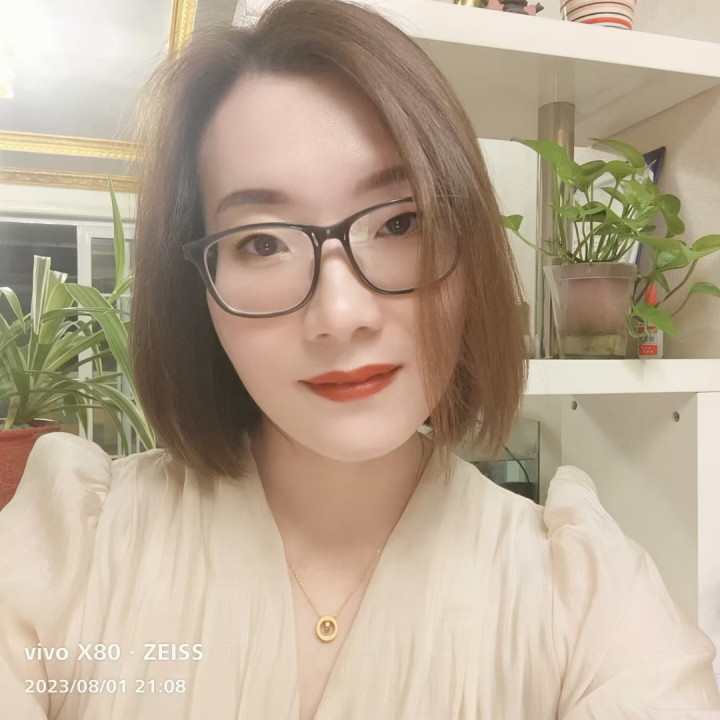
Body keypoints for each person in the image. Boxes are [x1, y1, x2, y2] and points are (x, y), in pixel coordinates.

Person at [1, 0, 719, 717]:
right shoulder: (73, 552)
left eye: (400, 222)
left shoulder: (584, 600)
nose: (341, 315)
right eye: (262, 243)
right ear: (198, 290)